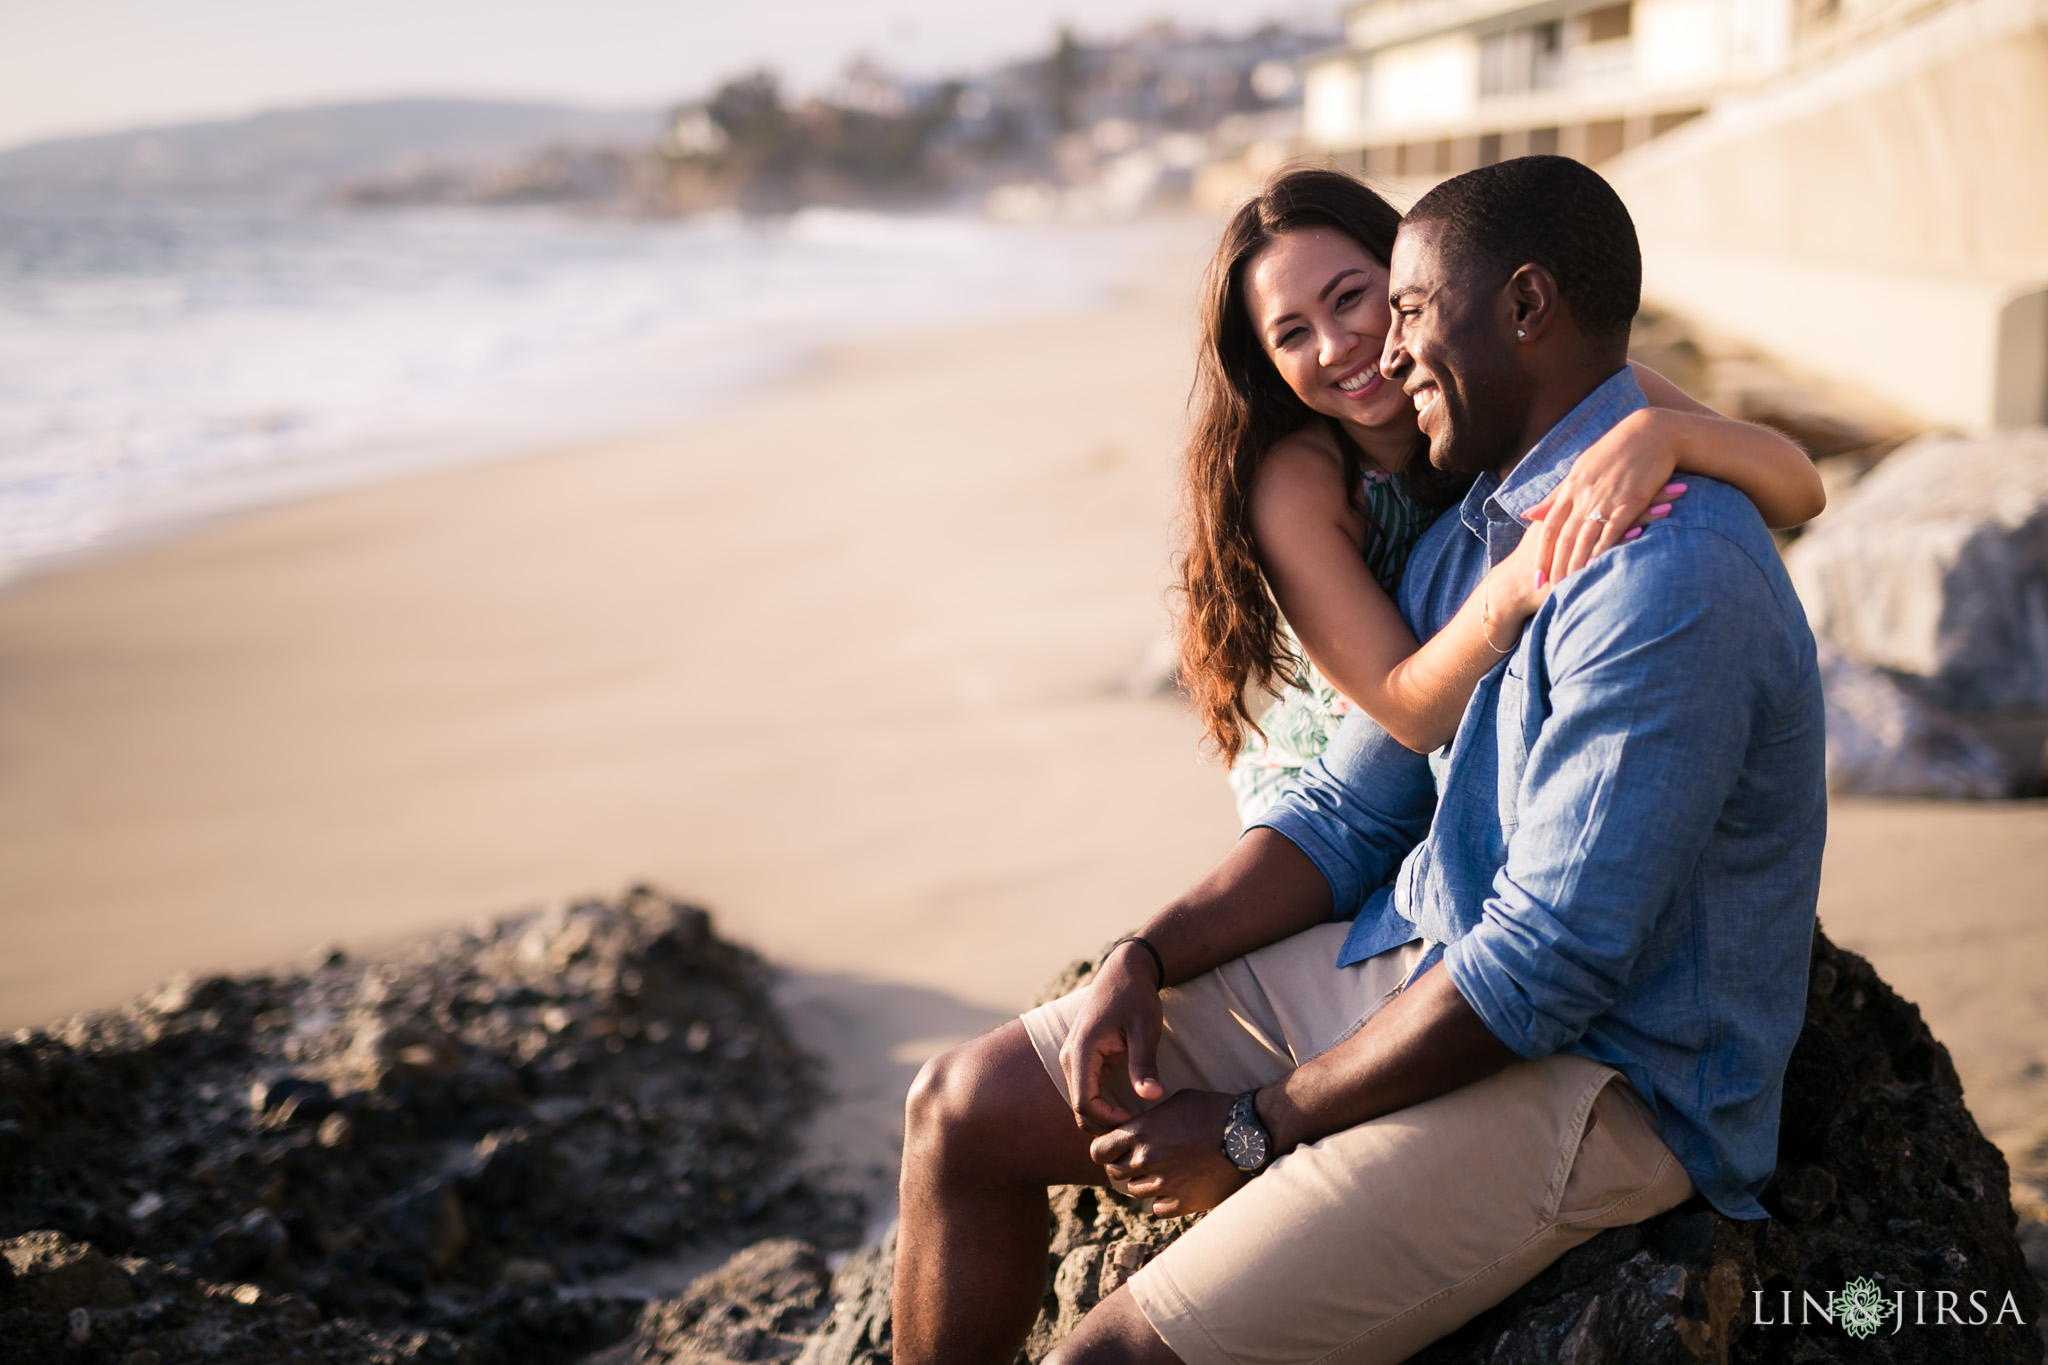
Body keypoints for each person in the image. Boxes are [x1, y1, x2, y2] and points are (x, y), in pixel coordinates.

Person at [894, 156, 1827, 1365]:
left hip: (1603, 1077)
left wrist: (1247, 1132)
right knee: (959, 1108)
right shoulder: (1475, 524)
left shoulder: (1661, 572)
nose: (1380, 352)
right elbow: (1344, 812)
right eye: (1326, 324)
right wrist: (1146, 953)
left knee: (1107, 1358)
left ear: (1524, 308)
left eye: (1401, 309)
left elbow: (1544, 966)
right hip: (1424, 956)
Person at [1175, 169, 1824, 824]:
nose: (1335, 345)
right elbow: (1406, 711)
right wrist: (1523, 576)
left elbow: (1799, 488)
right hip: (1342, 811)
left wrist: (1666, 432)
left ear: (1404, 276)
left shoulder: (1516, 385)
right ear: (1266, 364)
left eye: (1348, 298)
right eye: (1291, 334)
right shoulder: (1297, 483)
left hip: (1498, 750)